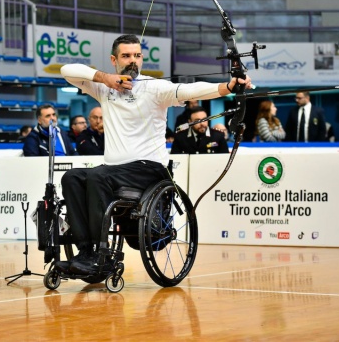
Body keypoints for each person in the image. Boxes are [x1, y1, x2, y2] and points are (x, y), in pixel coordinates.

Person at [58, 34, 251, 275]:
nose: (133, 61)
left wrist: (228, 87)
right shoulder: (103, 87)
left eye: (137, 56)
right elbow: (67, 69)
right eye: (126, 56)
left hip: (148, 170)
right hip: (113, 171)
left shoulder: (155, 87)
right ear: (113, 59)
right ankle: (86, 252)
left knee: (98, 176)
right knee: (71, 178)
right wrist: (104, 77)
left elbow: (190, 90)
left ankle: (102, 255)